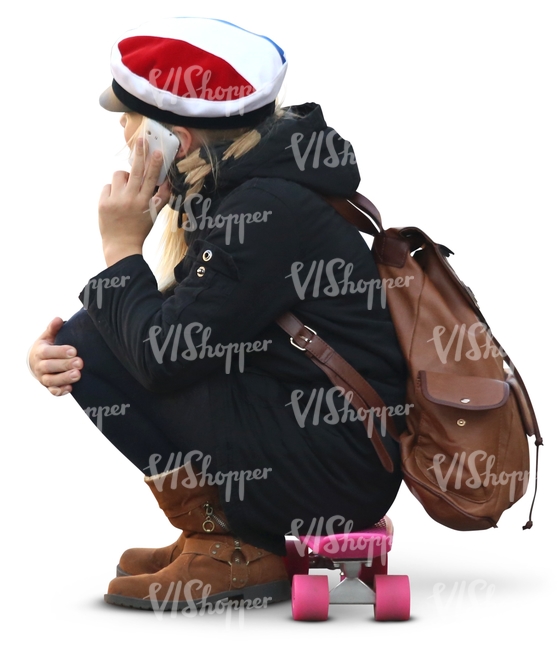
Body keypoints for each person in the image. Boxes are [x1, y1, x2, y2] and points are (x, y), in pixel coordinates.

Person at [27, 17, 407, 611]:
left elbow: (163, 358)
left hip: (336, 468)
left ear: (170, 137)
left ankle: (240, 543)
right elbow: (178, 326)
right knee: (86, 343)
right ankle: (217, 528)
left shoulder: (265, 206)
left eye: (128, 123)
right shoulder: (247, 186)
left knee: (96, 345)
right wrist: (59, 348)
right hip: (323, 444)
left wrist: (119, 249)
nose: (124, 137)